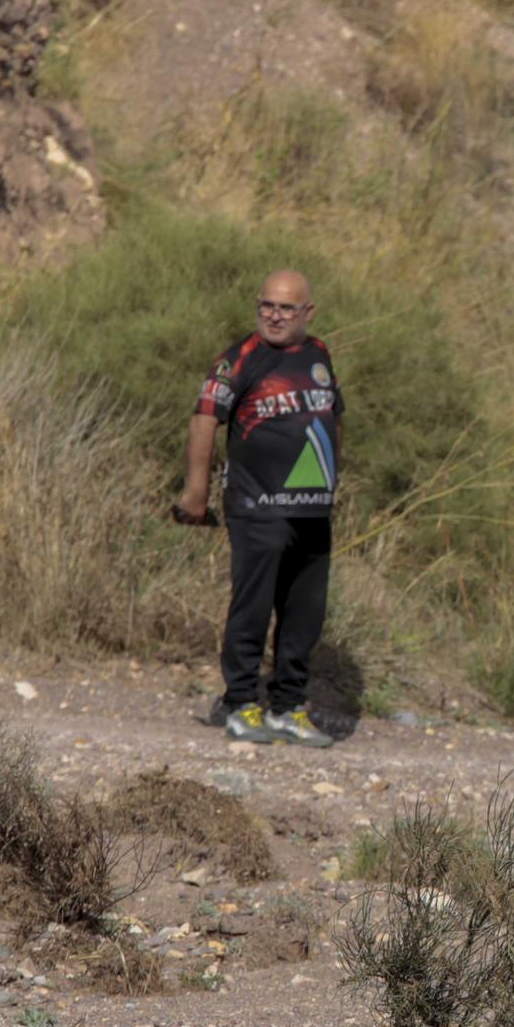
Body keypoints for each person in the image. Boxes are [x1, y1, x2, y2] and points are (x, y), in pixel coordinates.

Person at [176, 269, 343, 747]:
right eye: (266, 305)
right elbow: (205, 419)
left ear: (307, 312)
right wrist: (196, 492)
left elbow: (335, 416)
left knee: (304, 613)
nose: (274, 315)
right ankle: (240, 704)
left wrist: (334, 483)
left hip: (312, 512)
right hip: (257, 506)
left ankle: (289, 707)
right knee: (251, 608)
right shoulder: (240, 357)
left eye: (286, 308)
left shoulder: (320, 355)